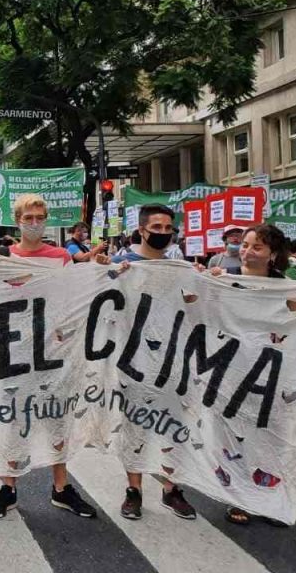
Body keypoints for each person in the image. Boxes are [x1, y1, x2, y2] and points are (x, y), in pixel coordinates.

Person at [0, 194, 97, 519]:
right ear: (17, 220)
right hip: (14, 354)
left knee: (56, 418)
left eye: (40, 217)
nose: (35, 223)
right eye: (28, 218)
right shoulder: (2, 256)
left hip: (52, 353)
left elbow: (72, 299)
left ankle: (61, 488)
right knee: (13, 421)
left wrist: (100, 269)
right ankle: (8, 488)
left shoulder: (61, 256)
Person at [96, 204, 198, 521]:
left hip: (172, 357)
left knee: (175, 424)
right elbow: (100, 299)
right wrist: (106, 271)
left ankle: (171, 489)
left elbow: (194, 302)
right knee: (136, 424)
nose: (164, 233)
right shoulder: (122, 262)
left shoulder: (178, 267)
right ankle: (134, 490)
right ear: (142, 230)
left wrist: (210, 280)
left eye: (169, 228)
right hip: (133, 359)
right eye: (157, 227)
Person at [207, 224, 296, 526]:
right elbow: (199, 309)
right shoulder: (226, 281)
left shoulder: (285, 286)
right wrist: (209, 284)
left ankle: (271, 500)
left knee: (271, 438)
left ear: (273, 254)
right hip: (231, 373)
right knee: (233, 439)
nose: (246, 251)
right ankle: (237, 497)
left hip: (272, 376)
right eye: (245, 245)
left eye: (256, 247)